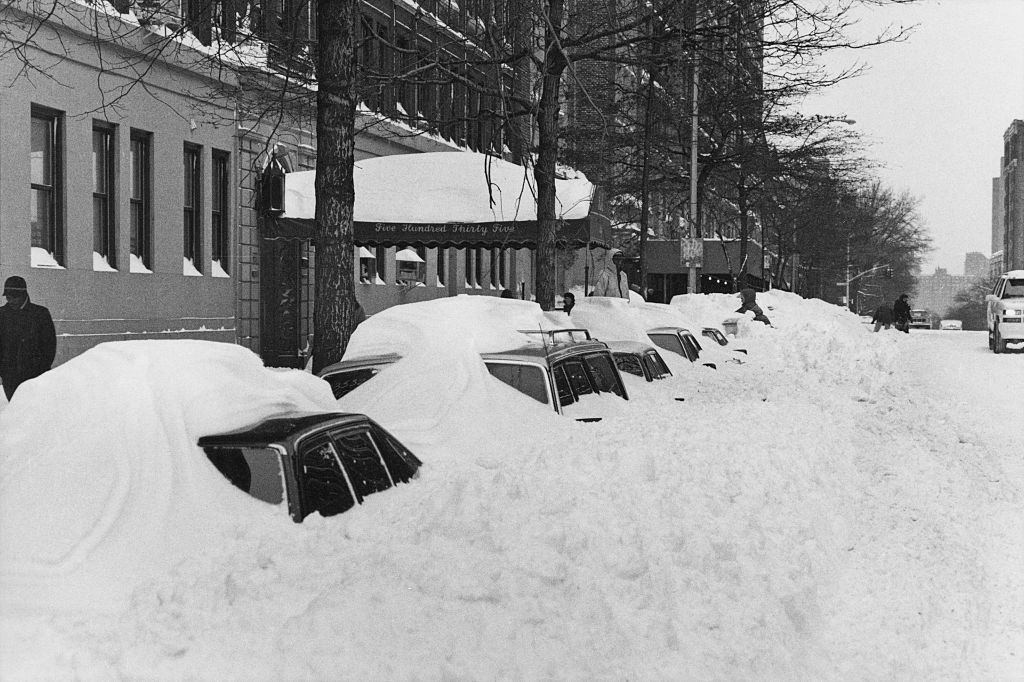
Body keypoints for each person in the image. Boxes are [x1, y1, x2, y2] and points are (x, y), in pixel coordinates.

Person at [0, 276, 57, 400]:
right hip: (10, 378)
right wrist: (3, 371)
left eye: (15, 297)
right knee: (16, 411)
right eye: (8, 297)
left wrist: (40, 372)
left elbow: (49, 347)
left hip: (35, 378)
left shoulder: (40, 314)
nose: (11, 301)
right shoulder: (2, 315)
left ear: (24, 294)